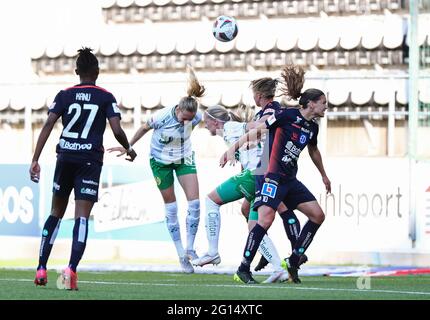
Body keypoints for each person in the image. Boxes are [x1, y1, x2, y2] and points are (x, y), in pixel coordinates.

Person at [30, 47, 137, 290]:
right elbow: (117, 130)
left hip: (65, 156)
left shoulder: (65, 94)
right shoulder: (105, 96)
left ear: (76, 71)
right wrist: (128, 148)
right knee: (82, 217)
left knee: (55, 212)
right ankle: (70, 270)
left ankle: (41, 268)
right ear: (97, 72)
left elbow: (48, 124)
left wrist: (35, 158)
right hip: (89, 161)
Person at [220, 65, 331, 284]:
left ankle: (294, 259)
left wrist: (324, 175)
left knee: (317, 215)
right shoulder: (285, 115)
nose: (326, 107)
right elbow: (258, 130)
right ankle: (244, 268)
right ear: (311, 104)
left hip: (289, 179)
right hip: (271, 176)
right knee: (266, 219)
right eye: (324, 103)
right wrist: (233, 148)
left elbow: (313, 150)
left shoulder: (312, 127)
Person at [108, 66, 204, 274]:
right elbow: (144, 128)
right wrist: (128, 147)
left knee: (195, 203)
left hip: (184, 158)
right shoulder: (162, 116)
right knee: (171, 207)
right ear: (178, 109)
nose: (186, 122)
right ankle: (181, 254)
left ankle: (190, 249)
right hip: (160, 161)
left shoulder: (196, 117)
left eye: (190, 119)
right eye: (184, 118)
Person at [194, 104, 287, 282]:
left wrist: (264, 123)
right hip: (260, 177)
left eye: (206, 122)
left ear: (215, 122)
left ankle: (212, 252)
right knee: (255, 228)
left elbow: (255, 126)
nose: (205, 126)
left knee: (211, 200)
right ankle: (278, 269)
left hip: (255, 175)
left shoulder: (229, 127)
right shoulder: (229, 133)